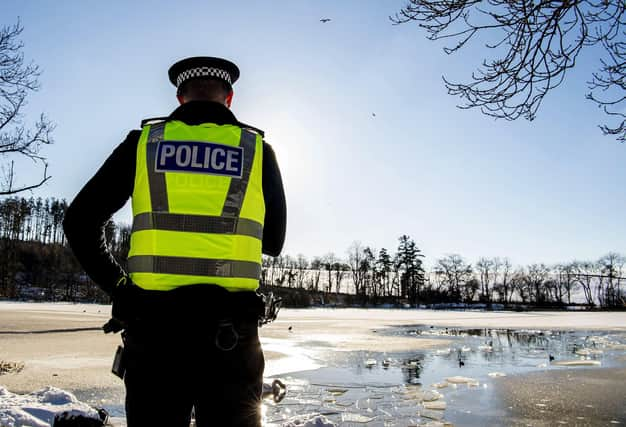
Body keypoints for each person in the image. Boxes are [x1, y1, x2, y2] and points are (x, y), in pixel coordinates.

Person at [63, 56, 287, 427]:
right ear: (228, 98)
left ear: (181, 97)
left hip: (155, 334)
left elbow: (79, 221)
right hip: (231, 338)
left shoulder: (144, 144)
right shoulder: (257, 150)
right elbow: (273, 241)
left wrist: (120, 288)